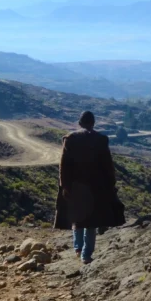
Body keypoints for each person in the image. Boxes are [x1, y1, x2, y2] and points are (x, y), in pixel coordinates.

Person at [53, 111, 118, 264]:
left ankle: (77, 248)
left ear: (80, 123)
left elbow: (64, 165)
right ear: (93, 123)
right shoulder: (101, 140)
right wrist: (111, 185)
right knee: (91, 221)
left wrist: (64, 185)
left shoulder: (70, 139)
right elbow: (108, 166)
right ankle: (86, 255)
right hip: (96, 187)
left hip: (76, 186)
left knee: (77, 217)